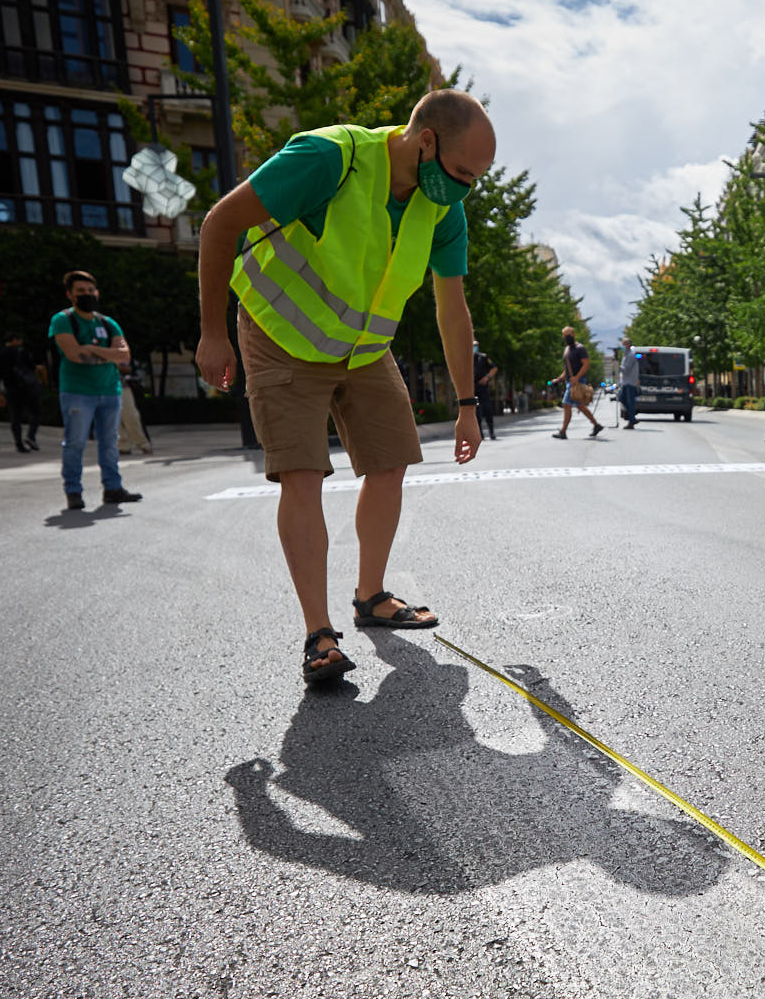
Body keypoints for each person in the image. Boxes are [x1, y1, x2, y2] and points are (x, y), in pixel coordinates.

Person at [194, 88, 492, 684]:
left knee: (390, 462)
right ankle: (318, 633)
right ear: (425, 141)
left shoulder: (444, 208)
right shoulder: (331, 158)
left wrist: (466, 404)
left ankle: (371, 597)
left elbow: (451, 310)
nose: (465, 189)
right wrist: (211, 334)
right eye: (461, 173)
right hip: (282, 332)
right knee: (302, 472)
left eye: (476, 179)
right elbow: (220, 222)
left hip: (363, 350)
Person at [50, 270, 141, 510]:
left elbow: (124, 356)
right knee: (75, 442)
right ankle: (73, 492)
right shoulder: (62, 320)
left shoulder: (107, 323)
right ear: (70, 294)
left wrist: (92, 349)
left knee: (110, 443)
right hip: (78, 391)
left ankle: (113, 489)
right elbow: (73, 354)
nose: (87, 295)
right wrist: (106, 355)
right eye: (81, 291)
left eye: (90, 291)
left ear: (97, 292)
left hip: (110, 390)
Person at [0, 329, 46, 452]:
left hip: (11, 388)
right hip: (28, 388)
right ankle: (31, 436)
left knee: (15, 417)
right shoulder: (22, 351)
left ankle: (18, 444)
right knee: (36, 413)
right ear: (15, 340)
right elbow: (32, 367)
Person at [552, 326, 600, 438]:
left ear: (574, 334)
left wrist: (577, 377)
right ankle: (596, 425)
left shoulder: (580, 348)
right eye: (564, 335)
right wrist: (559, 378)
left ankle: (563, 431)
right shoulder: (567, 349)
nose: (566, 337)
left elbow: (586, 364)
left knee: (566, 404)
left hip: (578, 382)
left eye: (568, 334)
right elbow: (567, 368)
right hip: (570, 382)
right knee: (580, 406)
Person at [118, 371, 155, 455]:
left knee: (131, 417)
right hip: (100, 386)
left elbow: (125, 364)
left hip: (120, 385)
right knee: (113, 420)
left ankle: (143, 444)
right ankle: (123, 446)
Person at [471, 342, 499, 440]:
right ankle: (480, 434)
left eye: (476, 346)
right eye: (473, 346)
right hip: (472, 388)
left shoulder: (483, 357)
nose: (475, 347)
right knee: (477, 412)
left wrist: (487, 377)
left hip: (483, 387)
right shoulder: (466, 358)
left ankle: (491, 432)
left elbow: (494, 368)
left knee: (487, 410)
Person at [618, 334, 641, 429]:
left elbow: (626, 369)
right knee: (621, 398)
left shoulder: (631, 355)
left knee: (630, 401)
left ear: (627, 345)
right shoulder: (626, 354)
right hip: (625, 382)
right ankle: (632, 417)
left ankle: (631, 421)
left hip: (630, 382)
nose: (622, 347)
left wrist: (617, 366)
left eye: (623, 345)